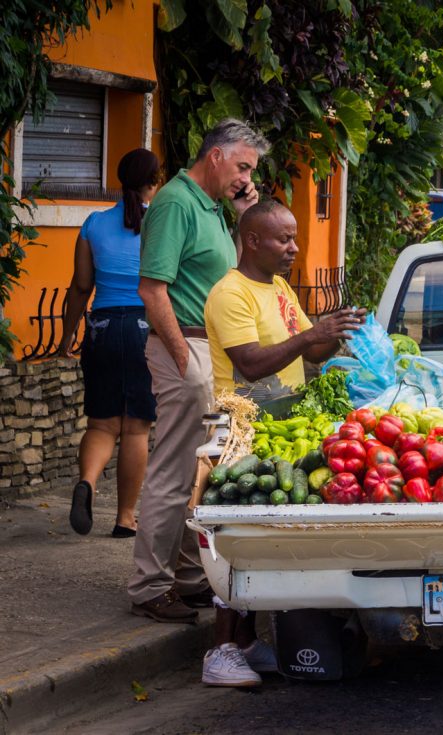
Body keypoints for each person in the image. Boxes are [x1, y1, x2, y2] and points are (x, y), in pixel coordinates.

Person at [201, 200, 364, 686]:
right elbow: (250, 362)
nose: (294, 247)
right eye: (283, 239)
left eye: (293, 237)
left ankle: (248, 642)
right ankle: (221, 650)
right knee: (236, 537)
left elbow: (309, 347)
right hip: (241, 427)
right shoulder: (231, 294)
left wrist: (336, 333)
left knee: (267, 538)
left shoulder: (278, 287)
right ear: (252, 241)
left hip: (284, 422)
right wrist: (312, 334)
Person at [128, 119, 269, 625]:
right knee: (174, 469)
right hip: (184, 347)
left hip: (210, 350)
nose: (246, 176)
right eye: (243, 166)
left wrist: (247, 211)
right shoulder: (175, 202)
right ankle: (149, 584)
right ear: (215, 156)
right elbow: (152, 289)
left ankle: (189, 576)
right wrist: (185, 360)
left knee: (202, 471)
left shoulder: (212, 208)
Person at [60, 149, 161, 538]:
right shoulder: (161, 224)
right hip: (142, 327)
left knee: (102, 423)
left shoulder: (93, 223)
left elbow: (81, 285)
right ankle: (124, 518)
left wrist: (68, 335)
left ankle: (87, 480)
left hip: (102, 327)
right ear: (155, 181)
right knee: (136, 428)